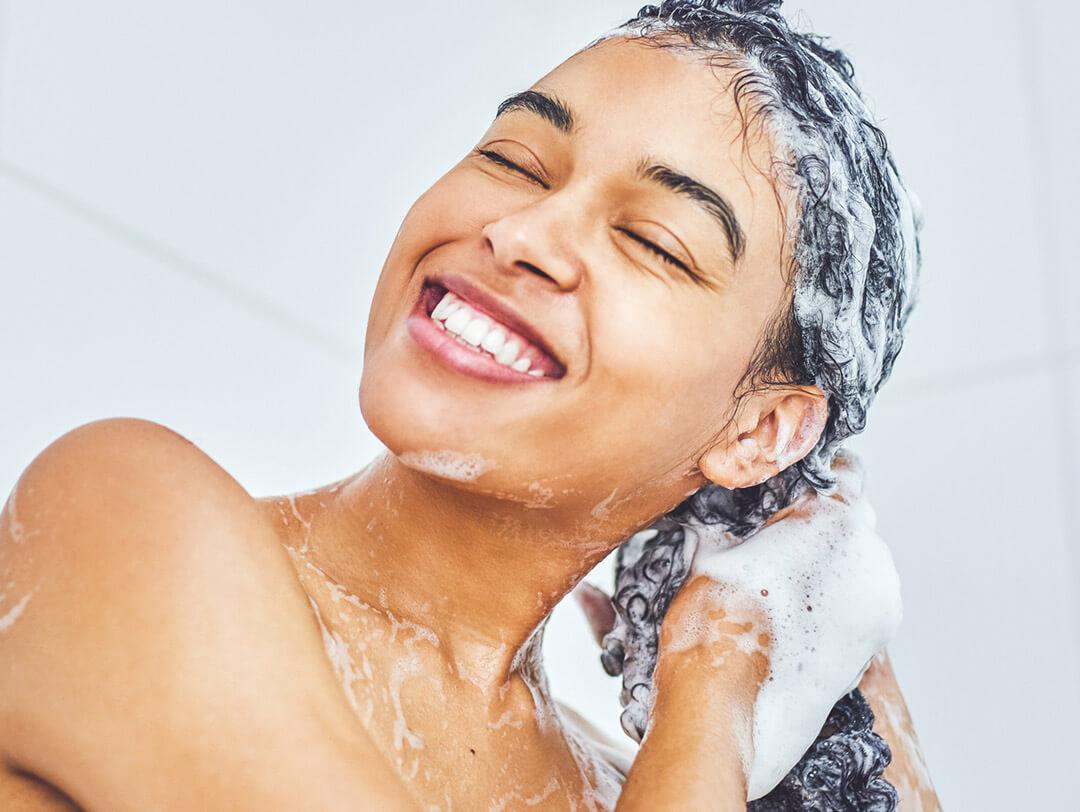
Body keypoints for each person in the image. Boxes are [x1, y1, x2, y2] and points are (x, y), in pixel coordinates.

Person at [0, 1, 941, 808]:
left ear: (760, 432)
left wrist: (737, 671)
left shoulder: (634, 784)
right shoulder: (128, 527)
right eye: (516, 159)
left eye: (653, 240)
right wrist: (709, 711)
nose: (521, 231)